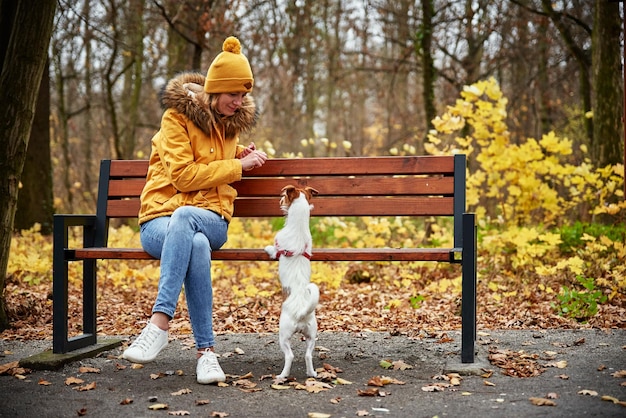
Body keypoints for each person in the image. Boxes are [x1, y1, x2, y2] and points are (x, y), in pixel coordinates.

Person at [122, 36, 268, 385]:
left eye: (244, 95)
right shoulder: (176, 119)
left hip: (211, 219)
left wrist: (236, 158)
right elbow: (184, 177)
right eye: (234, 94)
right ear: (215, 91)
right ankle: (207, 354)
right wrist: (237, 167)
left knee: (188, 219)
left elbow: (209, 169)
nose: (240, 101)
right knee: (195, 242)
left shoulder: (230, 127)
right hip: (159, 221)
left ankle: (159, 323)